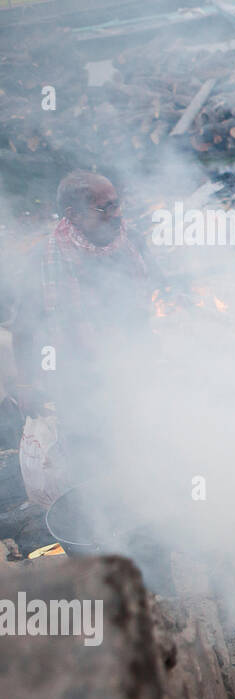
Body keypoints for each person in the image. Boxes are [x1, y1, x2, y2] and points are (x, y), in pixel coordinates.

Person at [11, 171, 161, 486]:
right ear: (73, 214)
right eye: (104, 208)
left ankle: (150, 499)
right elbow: (25, 327)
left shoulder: (130, 242)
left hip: (134, 365)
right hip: (77, 378)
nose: (117, 214)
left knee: (146, 443)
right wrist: (26, 384)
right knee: (92, 457)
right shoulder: (44, 259)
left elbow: (152, 299)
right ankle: (101, 516)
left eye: (117, 204)